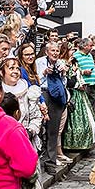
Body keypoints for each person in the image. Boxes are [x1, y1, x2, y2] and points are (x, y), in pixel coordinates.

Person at [37, 40, 69, 174]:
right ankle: (37, 160)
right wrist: (44, 73)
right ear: (47, 52)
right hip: (43, 93)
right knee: (39, 128)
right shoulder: (39, 62)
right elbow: (36, 78)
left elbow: (64, 82)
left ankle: (51, 160)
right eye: (53, 51)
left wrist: (63, 73)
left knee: (53, 129)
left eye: (57, 51)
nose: (55, 53)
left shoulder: (61, 63)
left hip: (57, 95)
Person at [0, 56, 43, 145]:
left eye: (18, 69)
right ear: (1, 72)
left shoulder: (28, 91)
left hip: (26, 140)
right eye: (11, 68)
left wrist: (30, 131)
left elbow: (36, 116)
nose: (15, 71)